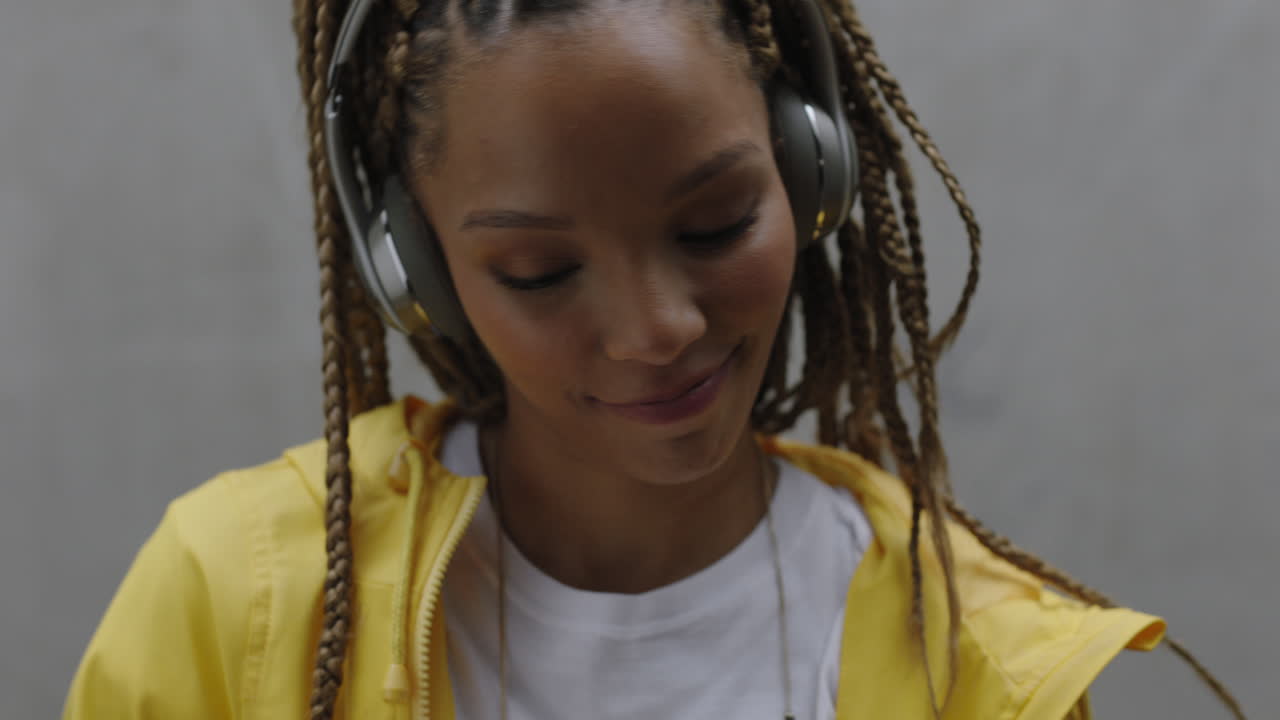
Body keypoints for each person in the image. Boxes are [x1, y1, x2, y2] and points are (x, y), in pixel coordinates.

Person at [63, 0, 1243, 717]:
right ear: (413, 272)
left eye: (714, 225)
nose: (655, 330)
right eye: (537, 273)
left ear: (810, 170)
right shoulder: (238, 602)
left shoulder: (981, 661)